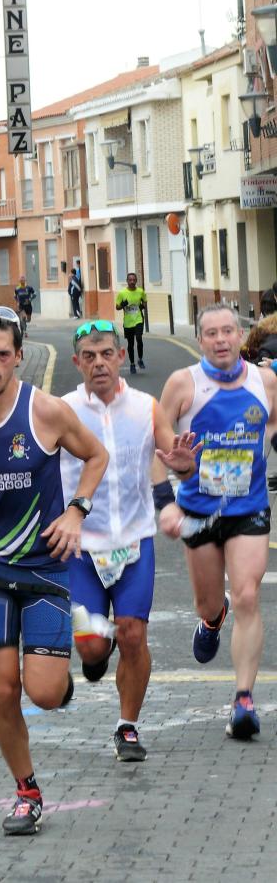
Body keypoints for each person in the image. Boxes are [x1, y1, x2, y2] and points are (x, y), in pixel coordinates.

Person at [0, 305, 109, 835]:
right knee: (2, 689)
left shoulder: (46, 412)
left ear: (18, 358)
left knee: (45, 694)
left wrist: (76, 511)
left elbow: (94, 457)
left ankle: (59, 684)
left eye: (1, 354)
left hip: (45, 569)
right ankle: (26, 790)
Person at [60, 319, 199, 761]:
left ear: (121, 356)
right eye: (89, 356)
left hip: (134, 543)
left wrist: (182, 466)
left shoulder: (146, 406)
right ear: (76, 362)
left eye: (106, 354)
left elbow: (173, 460)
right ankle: (98, 653)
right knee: (92, 647)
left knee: (135, 635)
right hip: (82, 549)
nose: (98, 363)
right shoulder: (59, 409)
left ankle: (127, 726)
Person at [158, 304, 277, 740]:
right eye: (212, 333)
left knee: (248, 595)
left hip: (249, 507)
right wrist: (168, 496)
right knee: (212, 603)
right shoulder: (183, 385)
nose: (222, 339)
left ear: (238, 335)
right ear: (200, 339)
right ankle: (212, 620)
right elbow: (157, 441)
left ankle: (244, 698)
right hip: (199, 509)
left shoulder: (266, 382)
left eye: (228, 331)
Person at [115, 272, 147, 375]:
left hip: (138, 319)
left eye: (134, 280)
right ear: (127, 281)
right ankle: (132, 364)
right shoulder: (122, 293)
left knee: (139, 338)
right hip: (128, 322)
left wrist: (142, 306)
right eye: (130, 280)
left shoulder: (140, 291)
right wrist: (123, 305)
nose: (132, 282)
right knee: (130, 344)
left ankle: (140, 359)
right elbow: (117, 307)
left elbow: (145, 301)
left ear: (136, 281)